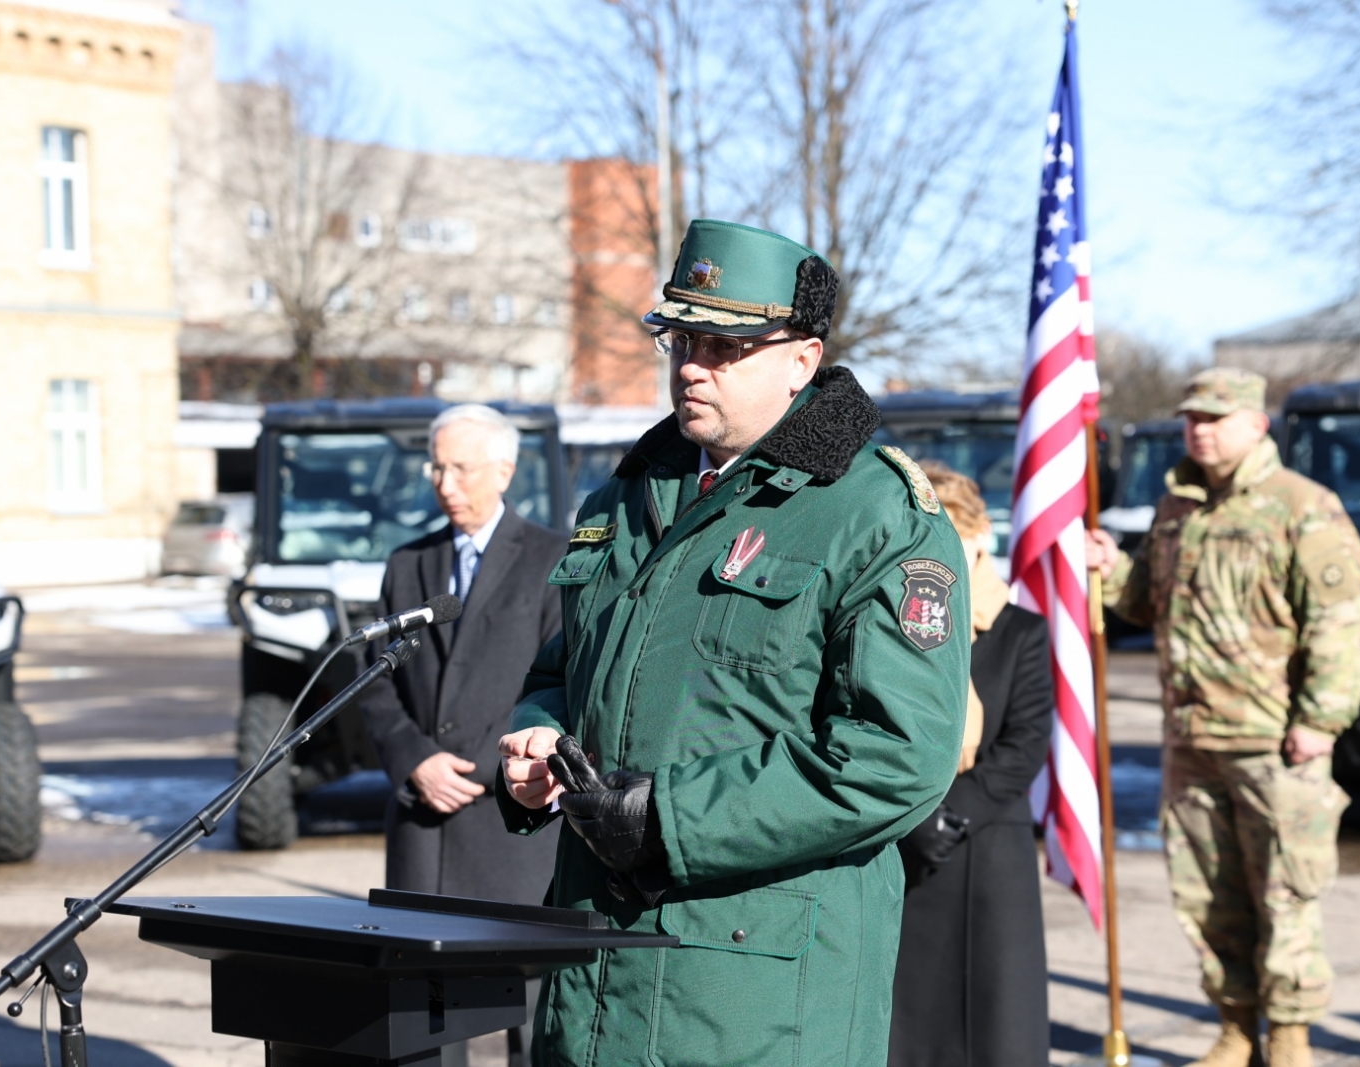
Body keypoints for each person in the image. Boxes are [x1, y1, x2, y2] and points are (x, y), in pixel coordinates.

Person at [495, 219, 971, 1067]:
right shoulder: (625, 496)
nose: (690, 365)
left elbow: (896, 758)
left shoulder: (874, 514)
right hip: (593, 980)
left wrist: (669, 820)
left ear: (802, 359)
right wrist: (538, 731)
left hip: (754, 1002)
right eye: (681, 338)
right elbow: (563, 668)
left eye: (725, 346)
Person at [1085, 368, 1360, 1067]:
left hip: (1276, 744)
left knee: (1287, 896)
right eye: (1191, 417)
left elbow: (1339, 626)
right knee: (1209, 897)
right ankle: (1237, 1028)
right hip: (1190, 739)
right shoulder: (1176, 507)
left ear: (1256, 424)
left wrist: (1321, 719)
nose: (1199, 429)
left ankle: (1293, 1038)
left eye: (1215, 417)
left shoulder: (1304, 507)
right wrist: (1111, 567)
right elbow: (1146, 602)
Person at [361, 403, 568, 1067]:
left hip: (512, 826)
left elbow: (558, 682)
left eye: (462, 467)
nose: (445, 483)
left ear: (504, 471)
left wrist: (480, 768)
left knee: (530, 1031)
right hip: (425, 830)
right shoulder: (407, 565)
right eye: (437, 467)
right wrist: (416, 759)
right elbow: (374, 684)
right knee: (426, 1027)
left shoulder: (552, 559)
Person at [887, 466, 1053, 1067]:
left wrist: (950, 814)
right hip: (898, 837)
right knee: (905, 1019)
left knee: (994, 1020)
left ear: (981, 536)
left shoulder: (1021, 632)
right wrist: (911, 816)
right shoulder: (892, 626)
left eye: (954, 536)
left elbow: (1025, 743)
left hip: (984, 844)